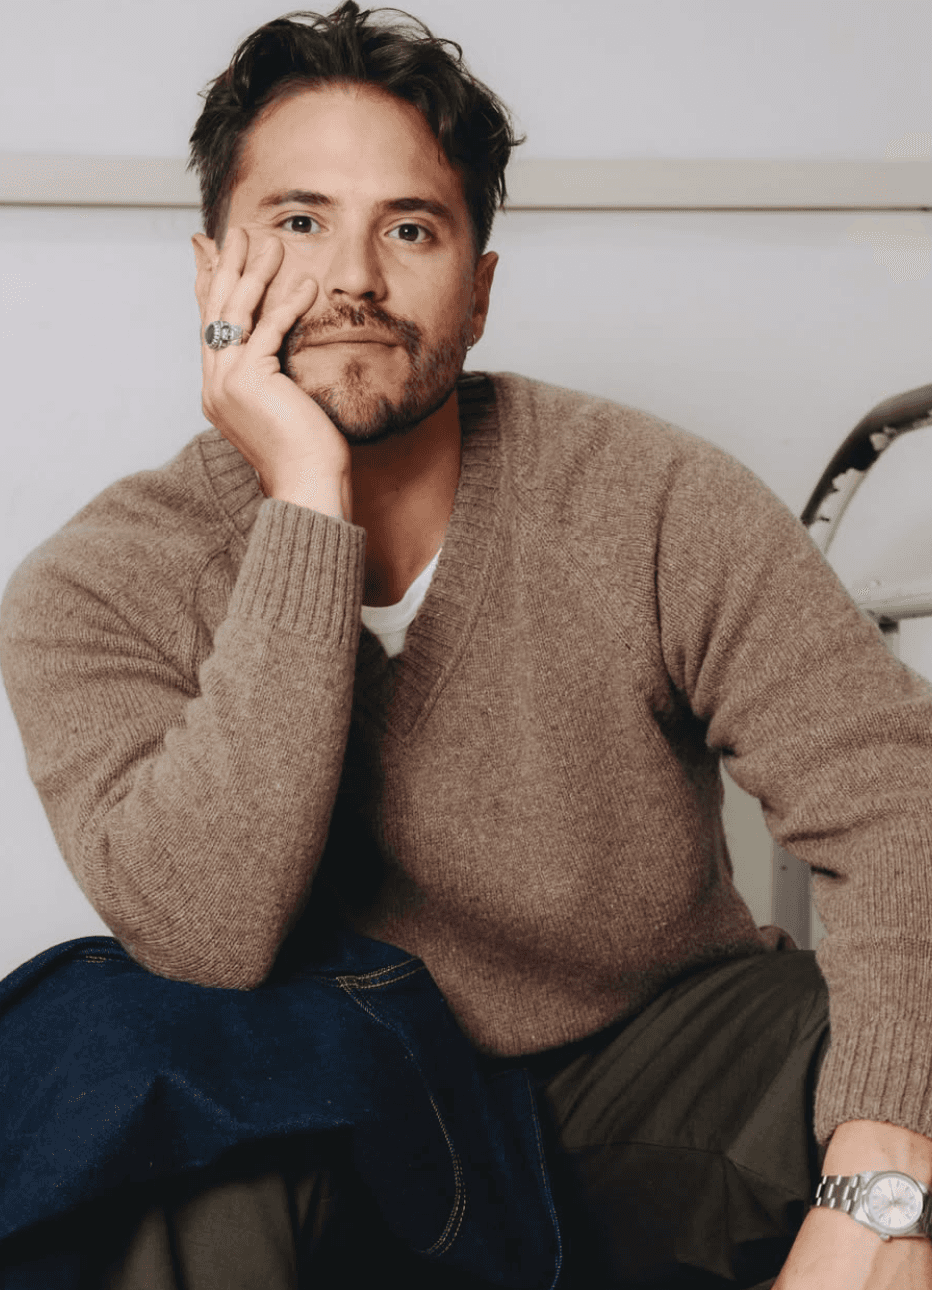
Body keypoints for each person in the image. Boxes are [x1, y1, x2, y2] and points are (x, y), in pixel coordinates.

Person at [2, 4, 932, 1288]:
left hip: (645, 1088)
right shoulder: (95, 583)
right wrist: (306, 501)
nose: (352, 279)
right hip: (335, 1123)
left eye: (409, 229)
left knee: (894, 1040)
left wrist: (879, 1187)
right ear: (210, 273)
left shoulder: (654, 498)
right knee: (116, 1051)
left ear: (479, 290)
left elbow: (892, 800)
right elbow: (207, 936)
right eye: (297, 222)